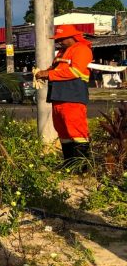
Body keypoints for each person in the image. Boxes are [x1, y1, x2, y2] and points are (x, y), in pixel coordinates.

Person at [34, 24, 93, 166]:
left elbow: (75, 72)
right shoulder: (62, 52)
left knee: (77, 132)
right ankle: (69, 165)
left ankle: (82, 168)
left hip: (73, 97)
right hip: (58, 97)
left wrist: (48, 74)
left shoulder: (82, 50)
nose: (59, 41)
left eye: (61, 39)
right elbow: (54, 69)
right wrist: (42, 73)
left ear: (72, 37)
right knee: (63, 132)